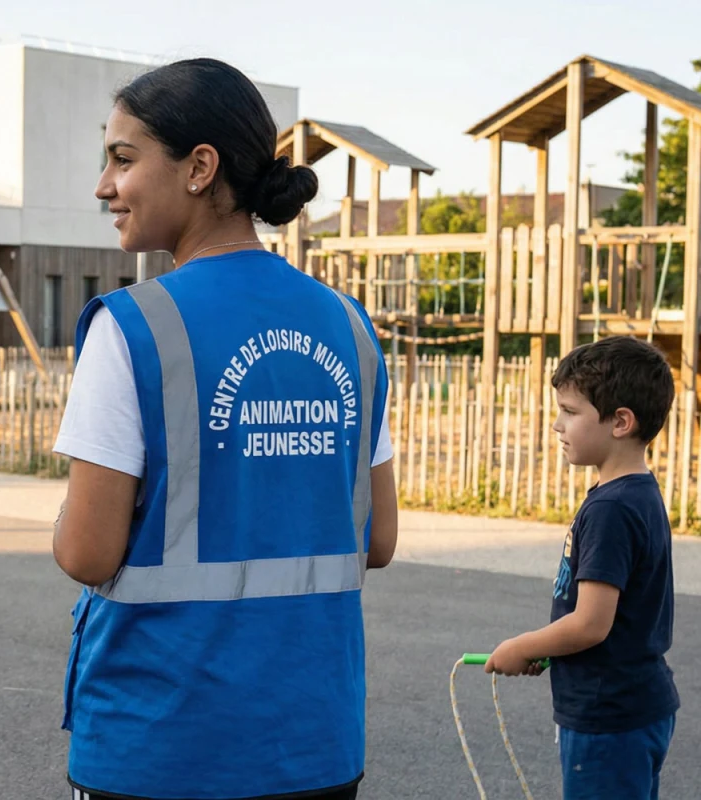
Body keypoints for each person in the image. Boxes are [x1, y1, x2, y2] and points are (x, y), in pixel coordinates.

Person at [50, 58, 399, 800]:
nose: (103, 185)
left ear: (200, 168)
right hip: (315, 743)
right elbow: (378, 541)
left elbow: (85, 552)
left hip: (161, 744)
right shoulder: (350, 327)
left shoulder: (133, 327)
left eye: (122, 158)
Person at [484, 336, 679, 800]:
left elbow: (591, 623)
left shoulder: (612, 508)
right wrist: (553, 649)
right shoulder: (637, 493)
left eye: (570, 412)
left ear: (620, 422)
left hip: (608, 715)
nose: (557, 424)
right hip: (636, 704)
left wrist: (521, 645)